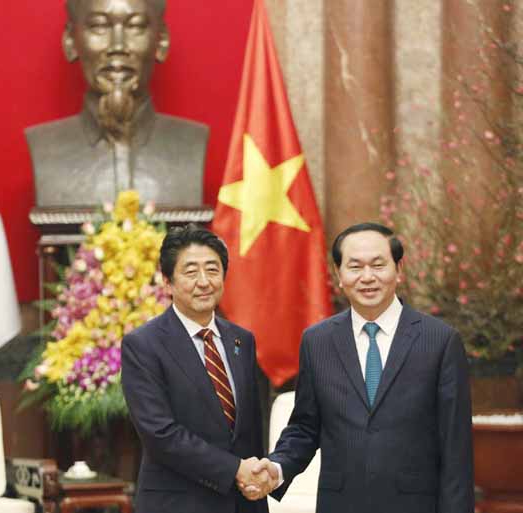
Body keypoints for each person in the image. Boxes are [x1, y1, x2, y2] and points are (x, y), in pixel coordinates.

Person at [244, 222, 474, 513]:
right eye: (355, 267)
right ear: (339, 275)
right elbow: (305, 427)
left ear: (398, 270)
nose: (367, 277)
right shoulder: (318, 341)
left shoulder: (440, 341)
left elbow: (456, 447)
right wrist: (276, 469)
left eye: (378, 265)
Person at [121, 224, 272, 513]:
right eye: (191, 272)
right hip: (178, 502)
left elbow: (251, 427)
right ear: (167, 282)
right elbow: (160, 434)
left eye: (212, 270)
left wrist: (255, 480)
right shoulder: (143, 345)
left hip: (243, 503)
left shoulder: (242, 339)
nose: (204, 281)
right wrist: (234, 470)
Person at [26, 0, 208, 209]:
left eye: (135, 26)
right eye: (99, 26)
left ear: (161, 41)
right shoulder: (46, 148)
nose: (118, 46)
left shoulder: (191, 144)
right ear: (70, 41)